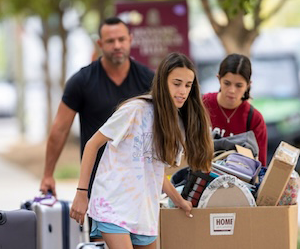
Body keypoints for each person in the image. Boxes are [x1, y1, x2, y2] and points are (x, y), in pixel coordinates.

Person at [70, 52, 214, 249]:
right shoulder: (135, 110)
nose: (182, 91)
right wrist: (81, 193)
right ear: (163, 82)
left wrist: (179, 200)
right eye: (177, 83)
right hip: (113, 205)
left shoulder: (178, 124)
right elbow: (92, 144)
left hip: (145, 213)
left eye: (188, 85)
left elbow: (154, 170)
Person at [40, 17, 154, 197]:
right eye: (110, 41)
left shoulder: (149, 79)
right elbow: (59, 129)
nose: (117, 45)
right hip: (98, 184)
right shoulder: (81, 81)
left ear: (130, 40)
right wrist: (48, 175)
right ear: (100, 43)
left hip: (139, 181)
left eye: (121, 39)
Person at [202, 53, 268, 166]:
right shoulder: (202, 105)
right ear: (219, 79)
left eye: (238, 85)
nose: (232, 90)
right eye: (227, 83)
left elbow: (259, 165)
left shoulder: (254, 118)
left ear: (248, 85)